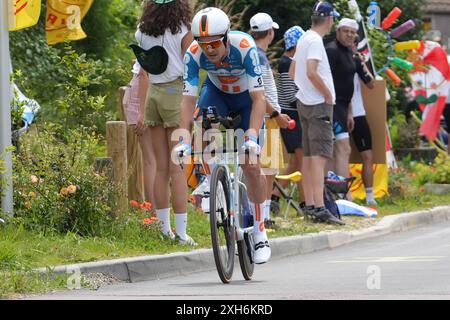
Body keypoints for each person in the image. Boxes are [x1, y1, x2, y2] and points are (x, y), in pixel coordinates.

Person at [175, 7, 271, 263]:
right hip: (217, 93)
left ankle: (260, 229)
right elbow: (187, 100)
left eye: (215, 43)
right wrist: (183, 138)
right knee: (204, 128)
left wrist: (251, 136)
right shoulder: (193, 55)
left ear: (226, 37)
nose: (210, 49)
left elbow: (259, 98)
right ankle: (211, 180)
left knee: (251, 164)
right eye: (203, 44)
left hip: (246, 99)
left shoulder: (245, 47)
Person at [133, 0, 195, 245]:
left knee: (160, 167)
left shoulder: (142, 30)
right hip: (176, 93)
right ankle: (181, 233)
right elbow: (190, 67)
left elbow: (142, 73)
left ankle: (163, 229)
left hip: (153, 96)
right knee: (177, 166)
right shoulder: (183, 28)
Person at [289, 1, 344, 225]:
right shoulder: (315, 41)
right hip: (319, 104)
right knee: (319, 158)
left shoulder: (303, 38)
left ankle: (312, 204)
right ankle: (320, 207)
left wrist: (302, 93)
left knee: (311, 158)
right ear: (329, 19)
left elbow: (292, 73)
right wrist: (327, 95)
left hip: (304, 104)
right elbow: (311, 72)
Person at [249, 12, 291, 227]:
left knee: (265, 168)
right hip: (267, 116)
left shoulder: (252, 53)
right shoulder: (260, 56)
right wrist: (276, 114)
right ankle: (262, 216)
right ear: (270, 32)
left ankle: (260, 214)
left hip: (263, 115)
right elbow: (260, 93)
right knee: (268, 169)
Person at [325, 18, 372, 194]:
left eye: (353, 32)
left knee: (342, 149)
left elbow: (354, 84)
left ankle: (338, 192)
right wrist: (328, 105)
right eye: (346, 31)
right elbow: (323, 79)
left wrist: (350, 112)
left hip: (343, 107)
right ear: (338, 32)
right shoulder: (332, 50)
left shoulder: (349, 54)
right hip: (331, 105)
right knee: (339, 149)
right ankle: (340, 193)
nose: (350, 35)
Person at [271, 25, 306, 214]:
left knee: (295, 162)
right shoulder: (286, 63)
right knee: (301, 160)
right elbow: (290, 94)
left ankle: (274, 196)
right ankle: (306, 202)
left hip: (294, 114)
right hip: (290, 115)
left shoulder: (289, 62)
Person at [350, 35, 376, 206]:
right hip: (340, 111)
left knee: (367, 155)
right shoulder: (333, 57)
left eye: (354, 43)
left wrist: (362, 63)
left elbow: (371, 83)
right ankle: (343, 195)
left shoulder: (356, 61)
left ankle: (369, 196)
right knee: (340, 154)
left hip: (358, 113)